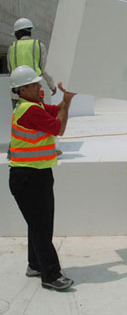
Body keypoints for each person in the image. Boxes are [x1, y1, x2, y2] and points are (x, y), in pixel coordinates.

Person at [8, 65, 76, 291]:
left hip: (33, 173)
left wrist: (67, 98)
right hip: (29, 177)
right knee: (41, 227)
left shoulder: (32, 106)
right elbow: (60, 127)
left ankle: (35, 265)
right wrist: (65, 103)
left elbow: (58, 109)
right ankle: (51, 275)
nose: (40, 87)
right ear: (23, 89)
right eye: (35, 84)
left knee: (36, 225)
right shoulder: (30, 110)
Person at [7, 18, 58, 159]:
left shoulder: (12, 47)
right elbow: (44, 68)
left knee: (19, 125)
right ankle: (42, 150)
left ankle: (13, 152)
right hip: (33, 91)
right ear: (29, 31)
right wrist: (52, 85)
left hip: (16, 92)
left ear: (18, 33)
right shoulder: (38, 45)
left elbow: (10, 70)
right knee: (39, 122)